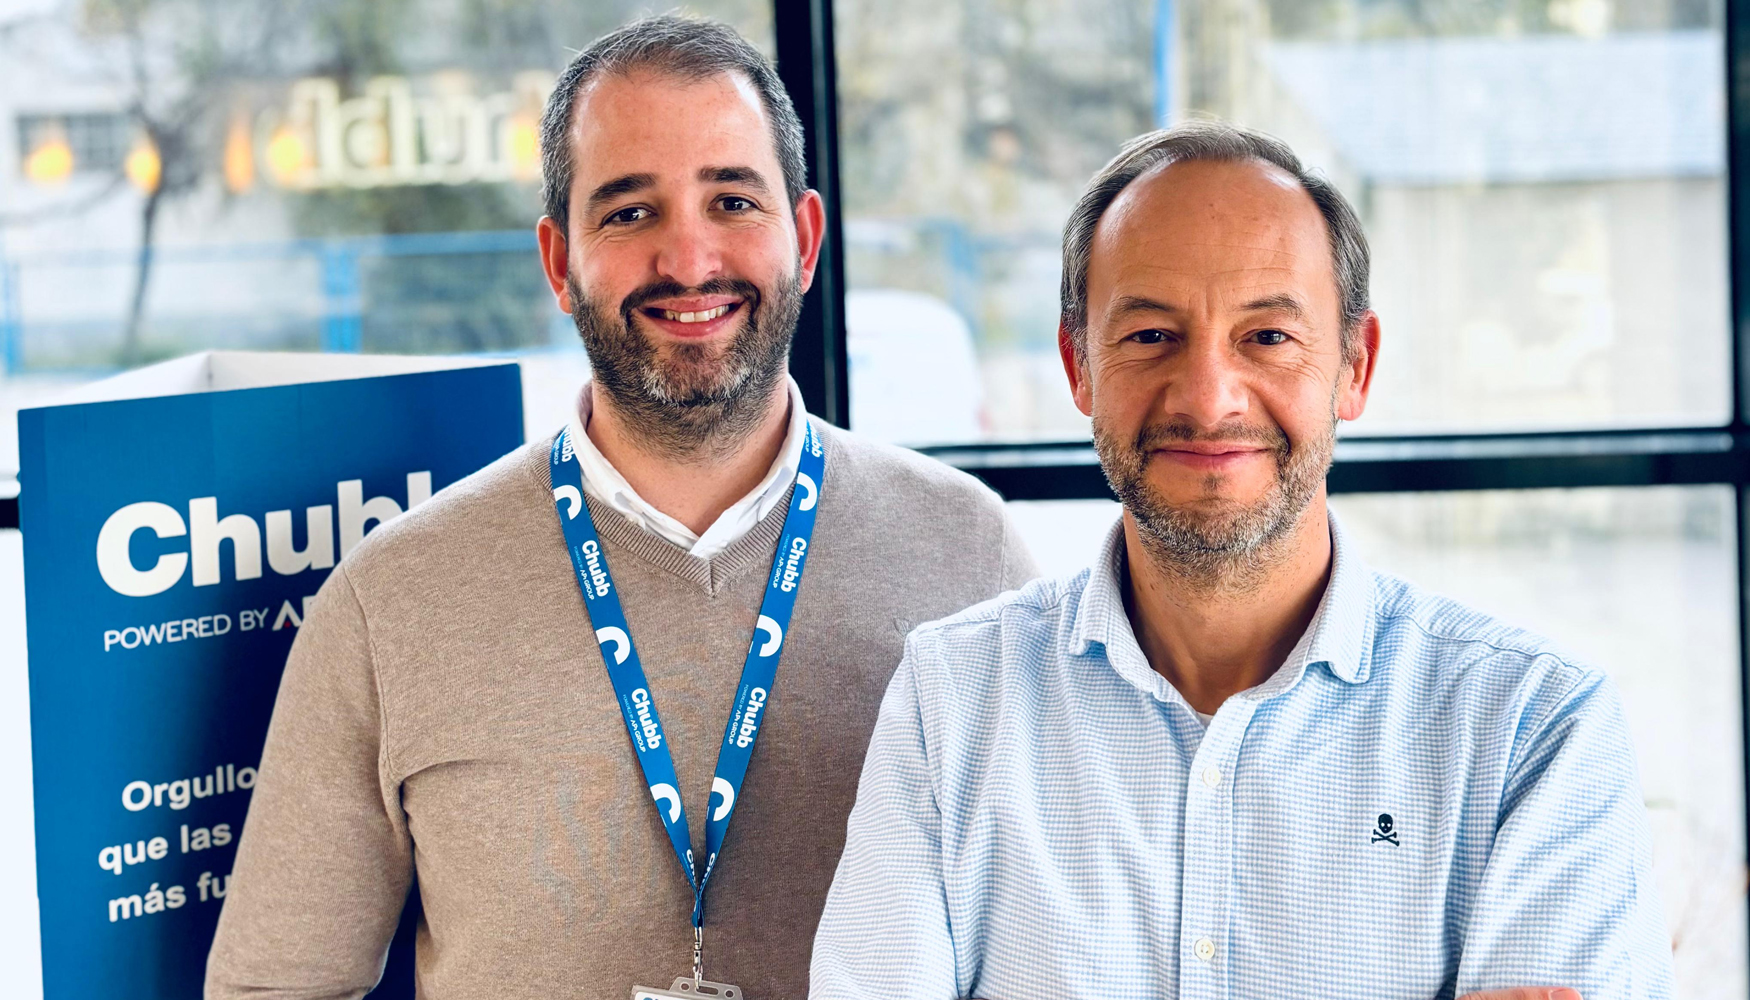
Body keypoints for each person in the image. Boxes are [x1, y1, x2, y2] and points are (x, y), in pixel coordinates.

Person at [205, 16, 1037, 1000]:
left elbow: (1049, 954)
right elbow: (275, 988)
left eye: (731, 199)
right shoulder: (393, 599)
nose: (688, 259)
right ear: (558, 262)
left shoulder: (966, 553)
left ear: (804, 237)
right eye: (629, 212)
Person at [810, 121, 1673, 1000]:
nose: (1208, 398)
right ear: (1079, 367)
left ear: (1355, 366)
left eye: (1267, 337)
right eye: (1151, 335)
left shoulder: (1536, 728)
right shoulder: (950, 701)